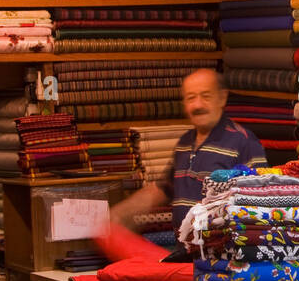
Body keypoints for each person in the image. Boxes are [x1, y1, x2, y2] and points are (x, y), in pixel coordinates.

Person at [110, 68, 267, 241]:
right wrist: (120, 213)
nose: (198, 105)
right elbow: (163, 189)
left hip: (222, 255)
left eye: (206, 96)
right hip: (187, 252)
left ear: (222, 98)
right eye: (191, 98)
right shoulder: (184, 144)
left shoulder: (243, 142)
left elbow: (259, 201)